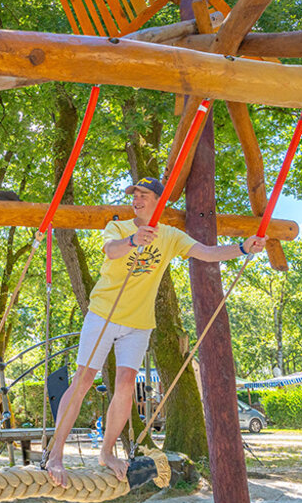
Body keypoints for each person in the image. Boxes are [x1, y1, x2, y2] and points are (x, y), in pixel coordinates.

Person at [45, 176, 266, 487]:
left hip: (139, 322)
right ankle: (55, 454)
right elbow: (111, 250)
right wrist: (135, 240)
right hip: (103, 314)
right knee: (83, 379)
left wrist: (244, 248)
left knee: (125, 384)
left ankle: (107, 453)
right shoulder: (120, 227)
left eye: (143, 195)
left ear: (158, 202)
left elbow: (207, 253)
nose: (136, 199)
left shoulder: (171, 236)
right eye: (134, 194)